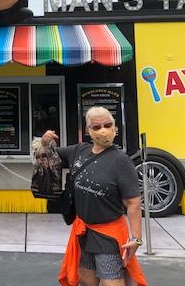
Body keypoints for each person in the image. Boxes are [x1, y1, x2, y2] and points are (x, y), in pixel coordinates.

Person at [40, 106, 146, 286]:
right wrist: (43, 142)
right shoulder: (79, 151)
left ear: (115, 128)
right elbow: (48, 155)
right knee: (86, 279)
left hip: (109, 235)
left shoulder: (121, 161)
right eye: (96, 127)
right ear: (88, 131)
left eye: (107, 125)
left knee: (111, 281)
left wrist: (136, 238)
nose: (103, 130)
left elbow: (133, 203)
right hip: (84, 232)